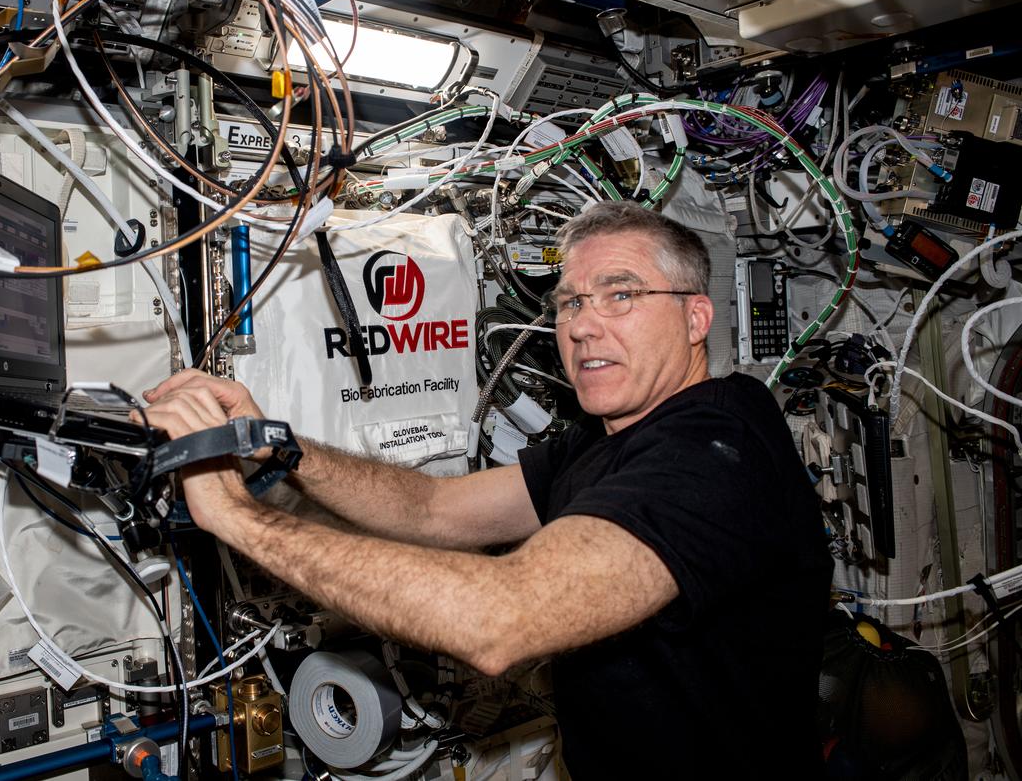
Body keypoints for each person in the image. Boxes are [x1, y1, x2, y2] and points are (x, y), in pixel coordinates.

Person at [141, 201, 830, 777]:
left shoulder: (716, 452)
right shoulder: (607, 436)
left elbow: (501, 619)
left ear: (695, 318)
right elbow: (434, 508)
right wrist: (278, 443)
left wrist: (239, 518)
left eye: (621, 295)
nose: (582, 324)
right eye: (570, 302)